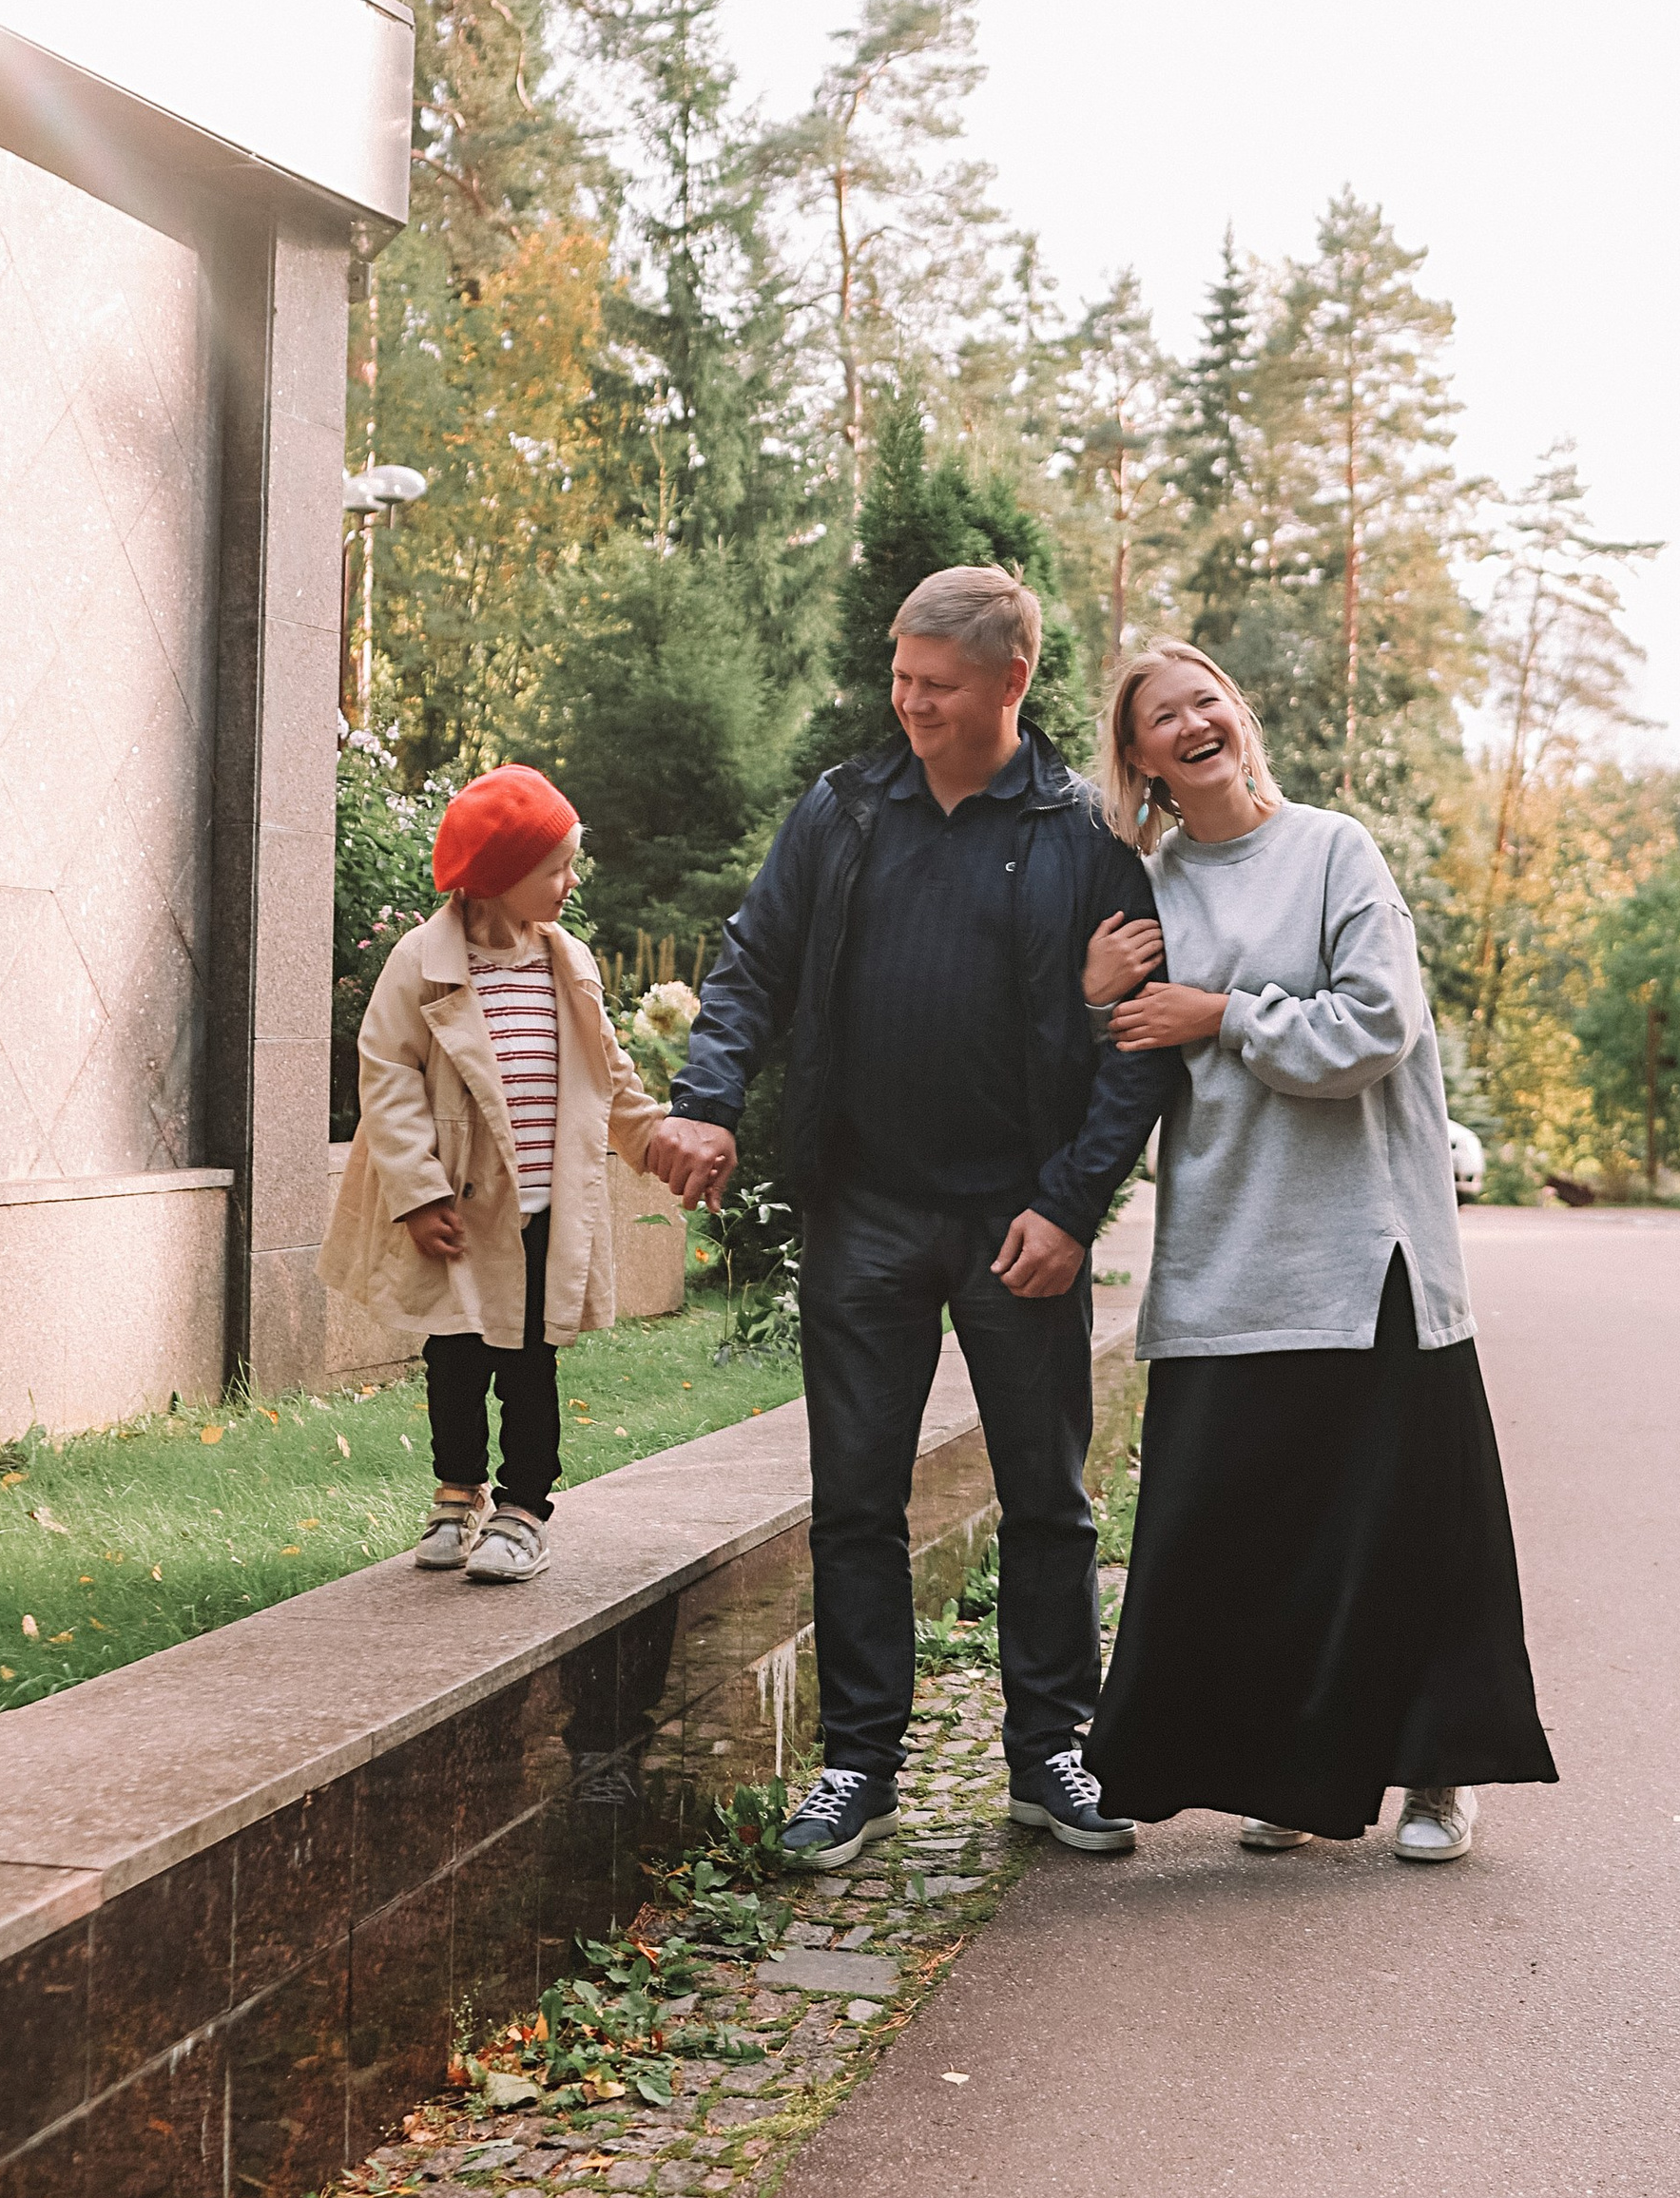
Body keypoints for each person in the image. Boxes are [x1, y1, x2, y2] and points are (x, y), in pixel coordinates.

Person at [647, 567, 1179, 1867]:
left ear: (1011, 682)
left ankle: (1055, 1748)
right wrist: (707, 1099)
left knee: (1047, 1496)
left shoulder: (1084, 835)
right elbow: (755, 959)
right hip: (868, 1208)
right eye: (900, 678)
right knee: (854, 1498)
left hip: (1021, 1220)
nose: (908, 703)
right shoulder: (843, 811)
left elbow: (1136, 1049)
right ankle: (858, 1764)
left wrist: (1070, 1207)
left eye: (935, 686)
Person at [1080, 640, 1556, 1861]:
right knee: (1251, 1540)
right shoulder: (1142, 889)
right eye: (1162, 716)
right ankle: (1290, 1778)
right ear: (1136, 758)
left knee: (1411, 1531)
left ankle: (1437, 1776)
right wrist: (1089, 995)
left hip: (1371, 1255)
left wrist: (1222, 1013)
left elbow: (1378, 1025)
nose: (1193, 722)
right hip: (1229, 1257)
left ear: (1238, 717)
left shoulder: (1334, 849)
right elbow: (1106, 1072)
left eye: (1209, 699)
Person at [320, 764, 670, 1583]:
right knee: (454, 1355)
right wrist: (418, 1192)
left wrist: (654, 1140)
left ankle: (524, 1507)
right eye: (556, 867)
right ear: (500, 875)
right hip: (461, 1204)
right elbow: (388, 1076)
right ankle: (457, 1491)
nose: (570, 882)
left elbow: (606, 1067)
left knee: (530, 1361)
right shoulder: (425, 962)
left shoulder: (565, 960)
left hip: (544, 1204)